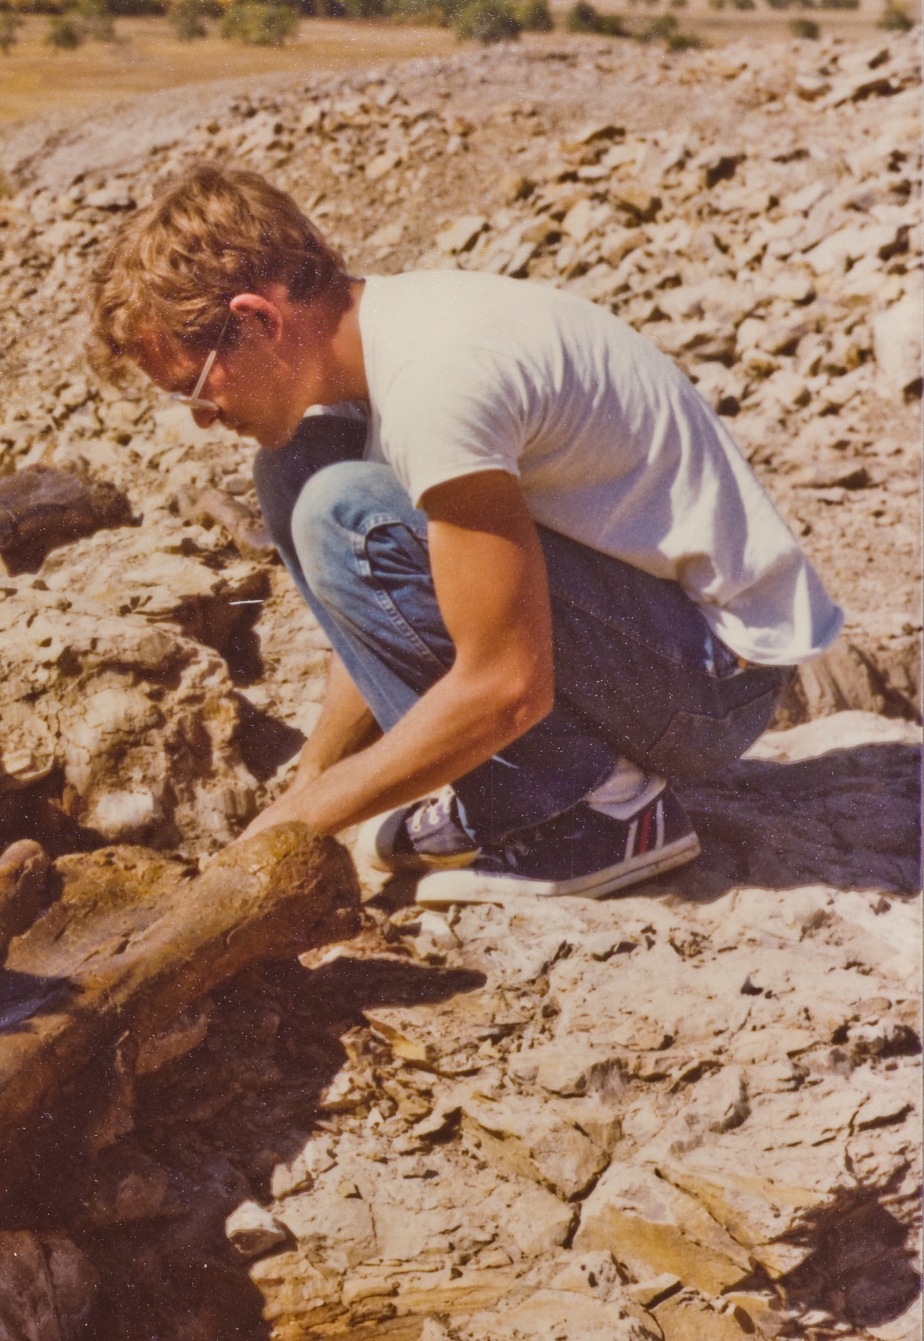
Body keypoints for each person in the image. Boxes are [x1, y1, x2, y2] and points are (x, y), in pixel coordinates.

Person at [89, 165, 841, 900]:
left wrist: (288, 831)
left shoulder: (436, 383)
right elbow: (402, 590)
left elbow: (508, 683)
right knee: (298, 473)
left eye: (195, 386)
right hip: (656, 634)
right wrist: (314, 779)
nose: (201, 416)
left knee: (341, 508)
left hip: (714, 682)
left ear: (258, 319)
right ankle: (518, 788)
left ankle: (605, 809)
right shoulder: (375, 344)